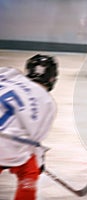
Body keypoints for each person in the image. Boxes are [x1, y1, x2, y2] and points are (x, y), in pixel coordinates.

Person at [0, 54, 58, 200]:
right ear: (52, 79)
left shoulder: (9, 76)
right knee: (29, 173)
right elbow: (34, 141)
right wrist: (40, 163)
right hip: (7, 146)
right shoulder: (47, 102)